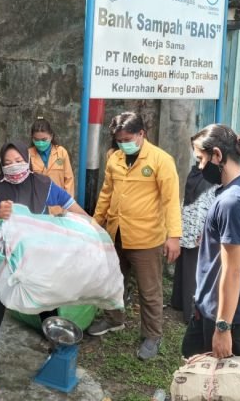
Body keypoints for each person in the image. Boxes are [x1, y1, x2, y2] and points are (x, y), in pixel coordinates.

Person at [0, 141, 88, 401]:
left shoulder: (43, 185)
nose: (14, 167)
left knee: (46, 302)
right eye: (7, 163)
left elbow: (70, 205)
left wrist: (92, 227)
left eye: (18, 161)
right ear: (1, 167)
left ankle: (57, 350)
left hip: (32, 260)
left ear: (27, 160)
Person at [87, 112, 182, 361]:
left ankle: (152, 335)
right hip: (116, 233)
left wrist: (174, 236)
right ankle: (113, 319)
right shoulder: (115, 158)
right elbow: (106, 194)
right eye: (119, 140)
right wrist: (96, 224)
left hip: (146, 238)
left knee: (149, 291)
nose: (123, 144)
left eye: (127, 139)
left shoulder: (161, 160)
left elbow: (171, 201)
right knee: (113, 281)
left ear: (142, 134)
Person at [181, 124, 240, 359]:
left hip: (222, 315)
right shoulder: (239, 189)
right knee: (191, 359)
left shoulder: (233, 202)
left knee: (211, 378)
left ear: (217, 155)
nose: (200, 167)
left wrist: (223, 327)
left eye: (201, 159)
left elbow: (233, 271)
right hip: (211, 307)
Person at [170, 164, 216, 323]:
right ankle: (183, 305)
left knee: (193, 267)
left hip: (200, 228)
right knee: (187, 265)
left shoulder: (214, 175)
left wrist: (207, 229)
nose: (198, 159)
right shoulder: (196, 171)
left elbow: (213, 203)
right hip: (188, 222)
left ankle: (191, 311)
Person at [28, 117, 75, 196]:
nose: (40, 143)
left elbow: (69, 180)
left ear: (51, 136)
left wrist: (68, 201)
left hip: (59, 200)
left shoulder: (61, 152)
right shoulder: (27, 154)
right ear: (32, 138)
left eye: (44, 139)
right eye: (36, 140)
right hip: (37, 200)